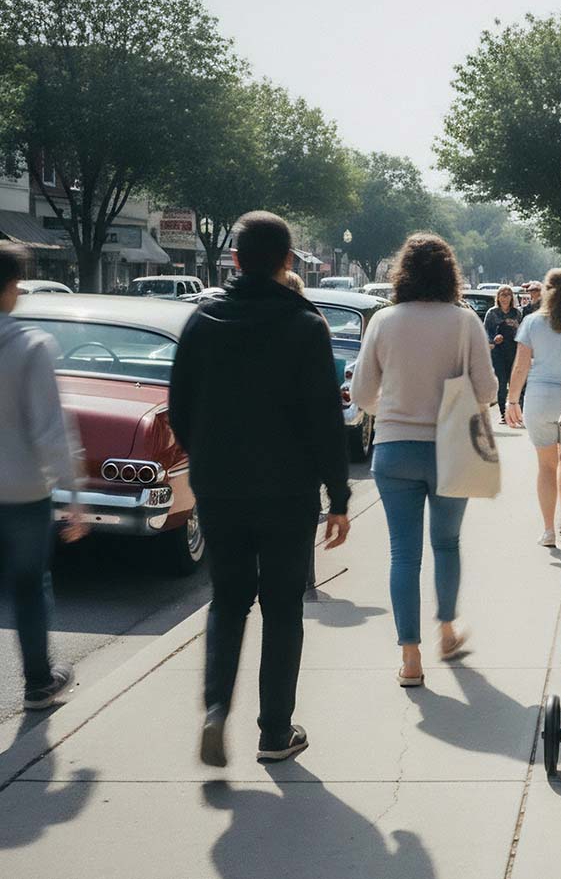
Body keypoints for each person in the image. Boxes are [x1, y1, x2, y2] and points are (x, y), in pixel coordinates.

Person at [169, 211, 351, 767]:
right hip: (287, 492)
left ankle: (215, 707)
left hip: (220, 487)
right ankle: (275, 731)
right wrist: (339, 497)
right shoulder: (305, 325)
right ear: (287, 262)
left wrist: (207, 459)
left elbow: (179, 408)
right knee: (281, 606)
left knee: (227, 600)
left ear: (236, 260)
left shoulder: (202, 322)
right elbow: (325, 419)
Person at [351, 234, 497, 686]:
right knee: (447, 544)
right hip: (451, 447)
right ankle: (447, 631)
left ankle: (410, 657)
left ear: (402, 272)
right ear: (450, 272)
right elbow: (489, 391)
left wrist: (391, 412)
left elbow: (360, 394)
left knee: (403, 555)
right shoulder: (465, 321)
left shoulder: (384, 321)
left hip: (395, 449)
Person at [0, 241, 85, 710]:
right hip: (23, 491)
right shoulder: (30, 346)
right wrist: (74, 493)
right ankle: (37, 682)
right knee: (30, 585)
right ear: (12, 288)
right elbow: (50, 430)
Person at [506, 269, 561, 546]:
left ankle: (548, 531)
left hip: (539, 399)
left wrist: (512, 400)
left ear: (546, 291)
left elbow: (520, 366)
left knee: (545, 466)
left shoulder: (531, 322)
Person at [484, 286, 522, 424]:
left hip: (513, 350)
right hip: (498, 352)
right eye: (502, 295)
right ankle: (503, 414)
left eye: (508, 294)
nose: (505, 297)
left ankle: (517, 413)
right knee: (501, 382)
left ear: (512, 297)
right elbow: (486, 331)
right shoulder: (492, 313)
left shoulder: (516, 313)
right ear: (498, 297)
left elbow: (521, 332)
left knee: (515, 382)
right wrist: (494, 337)